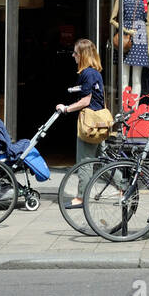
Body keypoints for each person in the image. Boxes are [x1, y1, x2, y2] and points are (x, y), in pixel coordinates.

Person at [57, 38, 104, 207]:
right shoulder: (94, 72)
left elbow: (86, 100)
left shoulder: (88, 74)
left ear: (82, 55)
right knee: (104, 158)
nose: (73, 55)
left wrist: (66, 108)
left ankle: (81, 197)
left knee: (84, 160)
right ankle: (124, 188)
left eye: (75, 53)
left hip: (89, 123)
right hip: (99, 122)